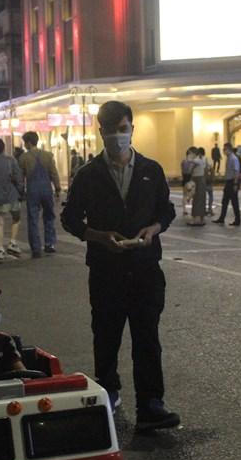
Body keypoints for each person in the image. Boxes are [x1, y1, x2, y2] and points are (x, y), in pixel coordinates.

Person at [61, 100, 180, 432]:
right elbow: (70, 218)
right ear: (101, 132)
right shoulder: (88, 175)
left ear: (132, 129)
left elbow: (165, 211)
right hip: (106, 271)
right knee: (107, 336)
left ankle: (151, 405)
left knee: (147, 338)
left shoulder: (150, 170)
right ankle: (109, 392)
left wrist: (153, 229)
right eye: (110, 131)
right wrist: (98, 236)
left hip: (145, 269)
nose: (117, 136)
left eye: (123, 129)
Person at [19, 131, 62, 257]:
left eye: (25, 143)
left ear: (28, 143)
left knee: (33, 219)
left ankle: (36, 248)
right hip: (47, 189)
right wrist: (58, 188)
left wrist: (21, 191)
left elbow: (21, 178)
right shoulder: (48, 156)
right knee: (49, 217)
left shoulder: (23, 158)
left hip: (32, 190)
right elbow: (54, 173)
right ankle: (49, 244)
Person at [0, 137, 24, 260]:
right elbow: (18, 177)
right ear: (3, 147)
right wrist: (20, 190)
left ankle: (0, 249)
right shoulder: (10, 160)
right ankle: (12, 242)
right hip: (11, 193)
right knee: (16, 218)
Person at [213, 142, 241, 226]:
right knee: (225, 201)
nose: (223, 151)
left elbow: (236, 171)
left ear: (228, 149)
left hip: (232, 182)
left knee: (234, 202)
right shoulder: (229, 158)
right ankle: (222, 218)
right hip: (228, 182)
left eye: (224, 149)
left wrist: (235, 184)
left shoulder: (233, 158)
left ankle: (237, 219)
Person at [188, 147, 207, 226]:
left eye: (190, 153)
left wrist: (190, 158)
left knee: (198, 199)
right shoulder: (202, 159)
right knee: (200, 198)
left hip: (198, 180)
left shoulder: (198, 160)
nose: (189, 155)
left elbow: (190, 162)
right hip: (199, 180)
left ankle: (197, 219)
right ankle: (200, 218)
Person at [180, 147, 195, 216]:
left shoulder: (184, 161)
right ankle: (185, 208)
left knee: (187, 194)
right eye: (191, 154)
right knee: (188, 193)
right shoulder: (188, 162)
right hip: (188, 178)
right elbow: (188, 170)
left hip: (186, 178)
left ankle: (185, 208)